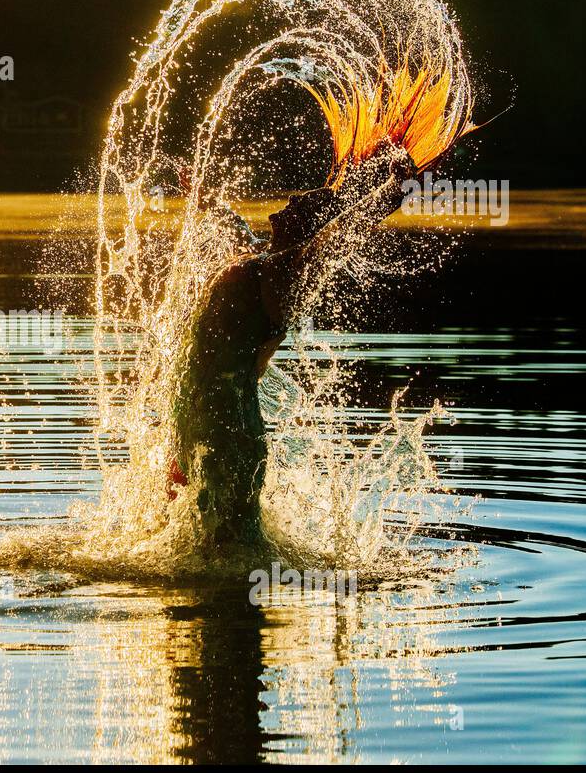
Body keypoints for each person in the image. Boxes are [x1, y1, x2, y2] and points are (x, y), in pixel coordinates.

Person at [170, 149, 413, 548]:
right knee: (186, 533)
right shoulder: (262, 259)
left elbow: (345, 232)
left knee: (228, 545)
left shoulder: (292, 271)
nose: (296, 198)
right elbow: (231, 226)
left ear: (314, 224)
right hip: (197, 411)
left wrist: (393, 191)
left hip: (227, 424)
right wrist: (205, 197)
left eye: (307, 202)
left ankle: (254, 587)